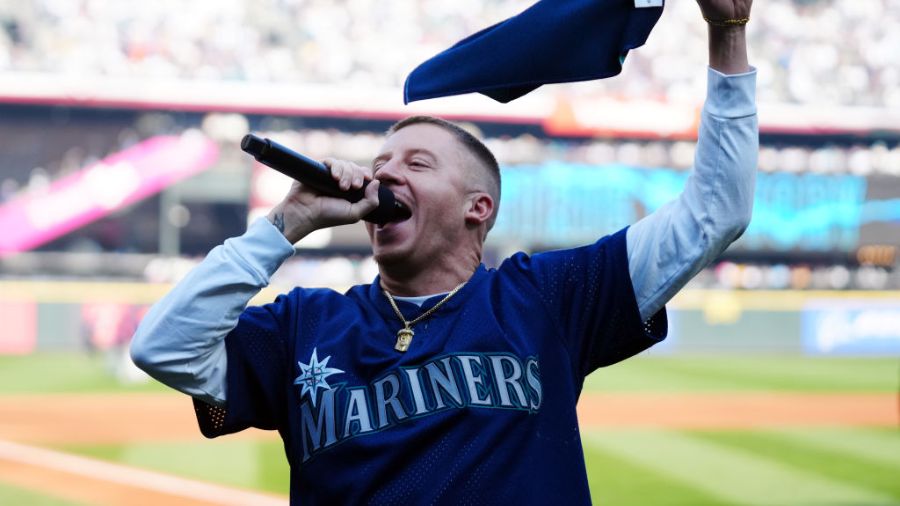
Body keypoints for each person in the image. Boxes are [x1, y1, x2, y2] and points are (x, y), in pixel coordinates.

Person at [131, 0, 757, 502]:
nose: (384, 177)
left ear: (476, 209)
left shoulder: (547, 299)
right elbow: (161, 348)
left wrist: (727, 33)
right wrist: (286, 222)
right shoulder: (305, 324)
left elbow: (715, 213)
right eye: (380, 165)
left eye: (417, 163)